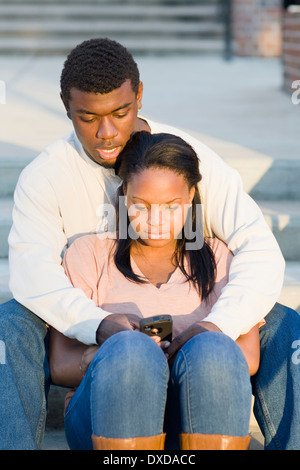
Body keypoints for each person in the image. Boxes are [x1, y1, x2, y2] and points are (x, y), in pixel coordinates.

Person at [0, 37, 299, 450]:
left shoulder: (188, 160)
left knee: (282, 320)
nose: (107, 133)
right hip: (91, 321)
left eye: (120, 113)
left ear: (138, 97)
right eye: (88, 117)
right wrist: (101, 327)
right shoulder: (46, 177)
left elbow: (259, 249)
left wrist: (215, 327)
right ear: (67, 107)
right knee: (11, 321)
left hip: (197, 337)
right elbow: (35, 278)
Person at [50, 131, 258, 450]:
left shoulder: (220, 257)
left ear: (190, 198)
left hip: (192, 413)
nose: (156, 221)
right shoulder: (87, 254)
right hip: (103, 414)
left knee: (214, 348)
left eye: (171, 207)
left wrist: (180, 358)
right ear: (123, 196)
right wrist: (115, 356)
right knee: (132, 351)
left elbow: (247, 357)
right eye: (141, 206)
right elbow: (60, 363)